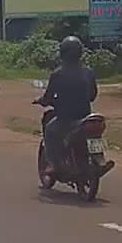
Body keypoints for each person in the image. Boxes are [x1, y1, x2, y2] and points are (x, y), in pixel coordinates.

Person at [33, 35, 99, 175]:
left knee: (50, 131)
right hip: (86, 117)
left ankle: (53, 164)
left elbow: (47, 98)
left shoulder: (57, 74)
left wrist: (40, 100)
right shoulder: (88, 72)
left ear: (62, 53)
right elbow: (93, 96)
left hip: (66, 120)